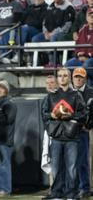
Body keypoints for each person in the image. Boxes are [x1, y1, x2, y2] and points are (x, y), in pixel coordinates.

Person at [42, 68, 86, 199]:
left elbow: (83, 115)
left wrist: (69, 115)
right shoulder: (51, 96)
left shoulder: (76, 95)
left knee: (71, 168)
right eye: (60, 76)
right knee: (55, 168)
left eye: (65, 75)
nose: (62, 78)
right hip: (56, 136)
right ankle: (56, 193)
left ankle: (71, 193)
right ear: (58, 78)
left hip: (72, 137)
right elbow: (44, 114)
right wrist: (52, 114)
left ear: (69, 77)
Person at [71, 67, 93, 198]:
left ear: (85, 78)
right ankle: (73, 186)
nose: (78, 79)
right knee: (71, 161)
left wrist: (89, 125)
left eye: (81, 77)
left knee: (83, 160)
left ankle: (84, 187)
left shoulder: (91, 92)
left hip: (84, 130)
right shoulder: (68, 92)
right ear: (72, 78)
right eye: (76, 77)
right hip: (68, 131)